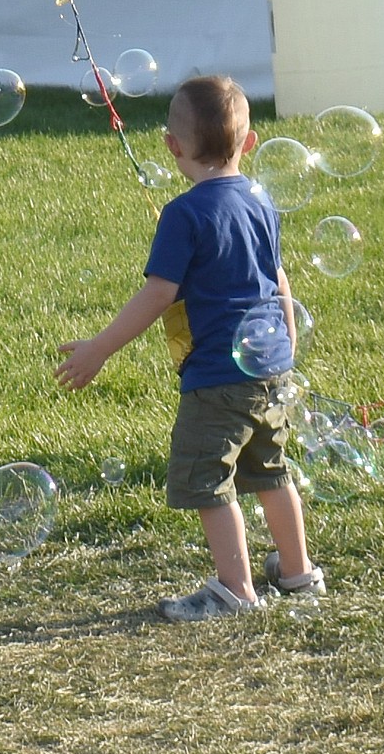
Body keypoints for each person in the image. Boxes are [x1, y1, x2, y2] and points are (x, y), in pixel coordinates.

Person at [56, 74, 324, 617]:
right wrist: (288, 348)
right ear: (249, 143)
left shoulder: (184, 213)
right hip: (269, 367)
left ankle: (236, 589)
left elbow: (159, 294)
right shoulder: (259, 196)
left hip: (217, 374)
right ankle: (298, 575)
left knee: (207, 480)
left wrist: (100, 348)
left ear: (172, 146)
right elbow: (278, 278)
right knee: (271, 471)